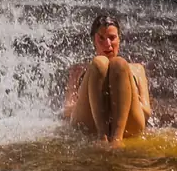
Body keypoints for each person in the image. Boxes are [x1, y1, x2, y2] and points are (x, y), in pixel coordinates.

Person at [62, 12, 149, 143]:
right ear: (94, 41)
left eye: (112, 38)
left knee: (118, 64)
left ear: (119, 39)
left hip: (128, 123)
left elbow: (147, 111)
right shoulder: (78, 70)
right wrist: (90, 97)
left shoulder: (137, 69)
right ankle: (102, 137)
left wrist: (128, 96)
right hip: (90, 120)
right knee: (99, 63)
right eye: (101, 38)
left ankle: (117, 139)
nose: (107, 44)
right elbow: (68, 110)